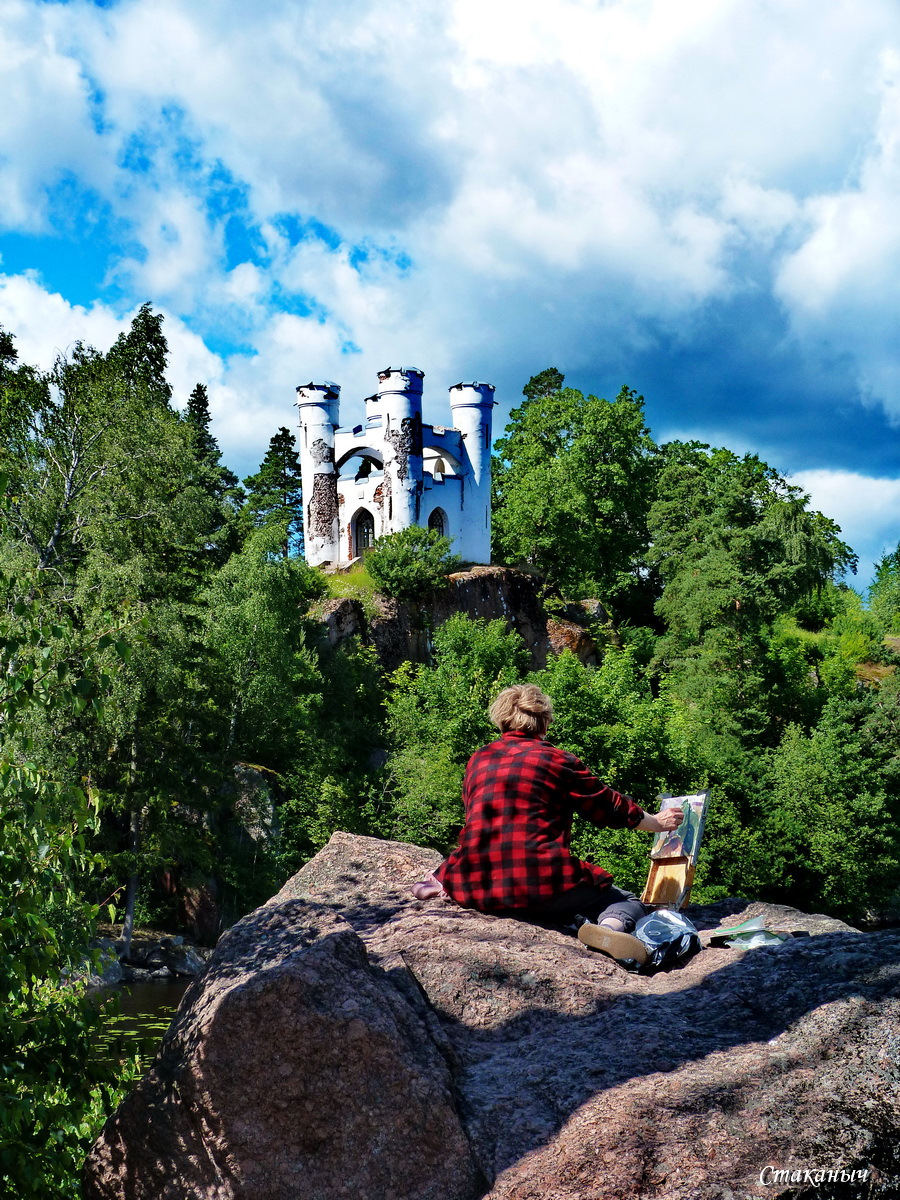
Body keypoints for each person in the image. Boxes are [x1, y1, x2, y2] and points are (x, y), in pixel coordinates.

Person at [425, 683, 683, 965]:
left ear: (501, 719)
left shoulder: (479, 759)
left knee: (551, 896)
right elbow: (609, 807)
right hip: (539, 882)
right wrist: (656, 823)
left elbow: (474, 818)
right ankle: (607, 931)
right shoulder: (558, 761)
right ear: (544, 721)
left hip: (476, 884)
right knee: (625, 902)